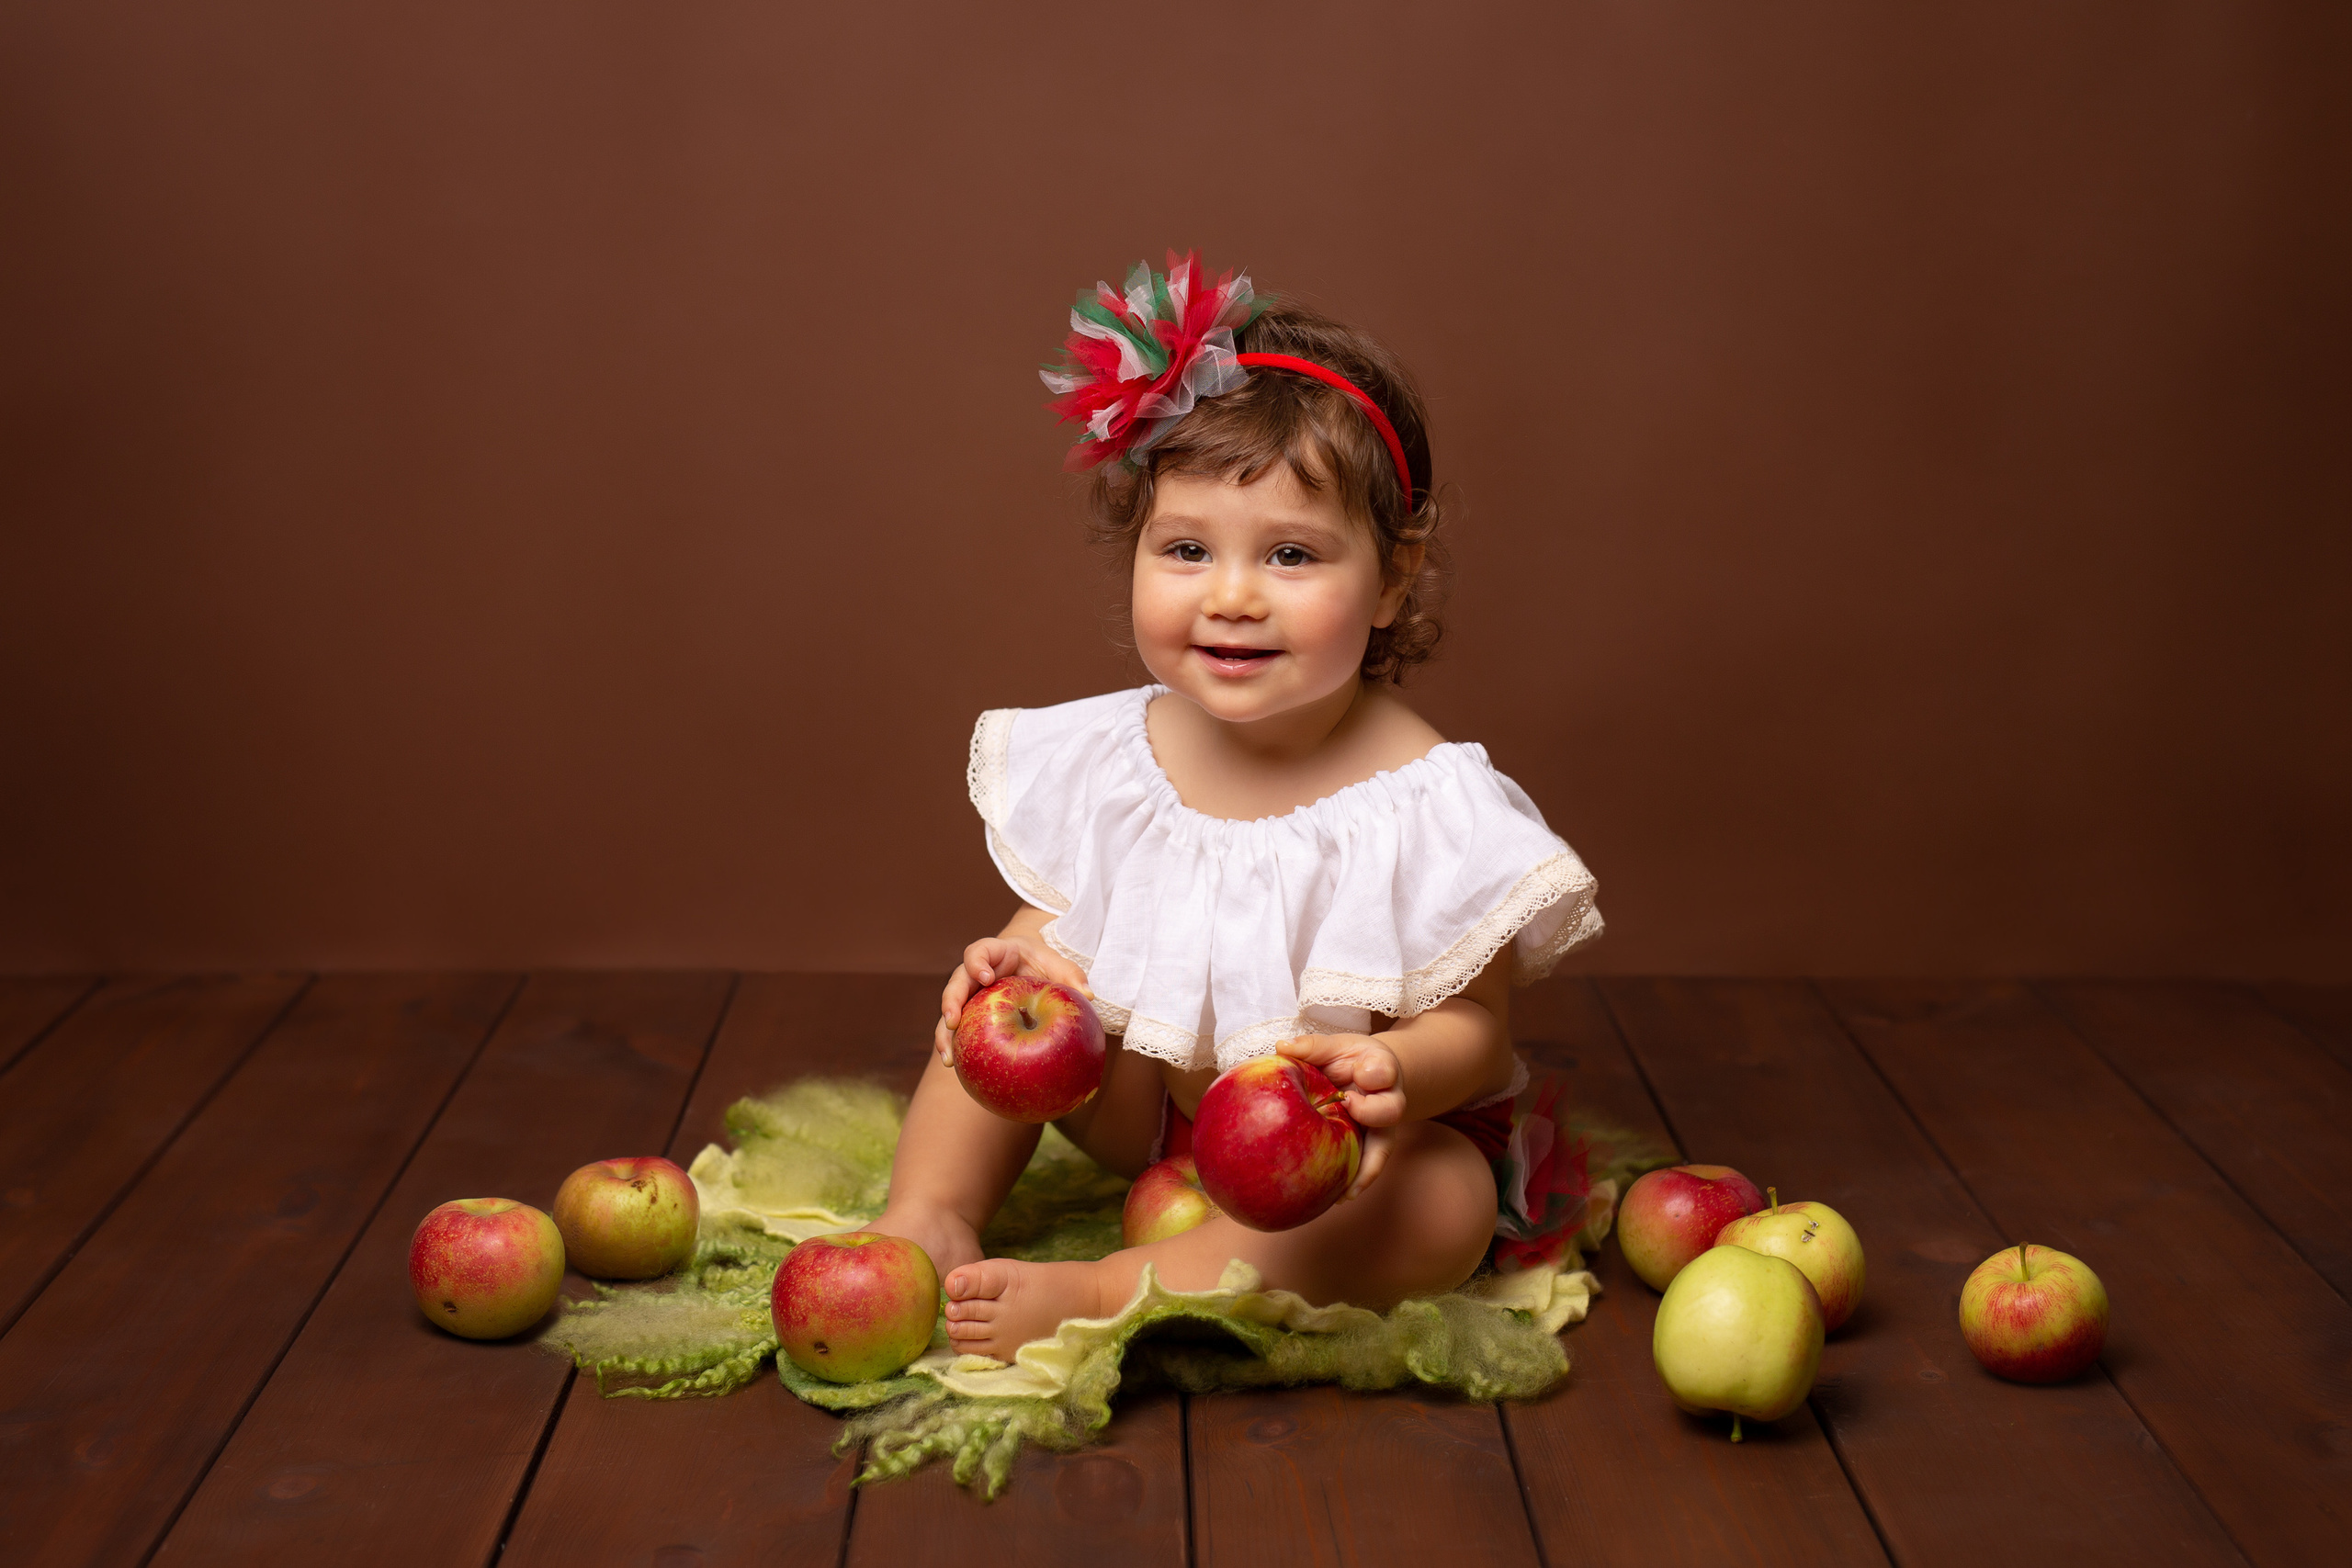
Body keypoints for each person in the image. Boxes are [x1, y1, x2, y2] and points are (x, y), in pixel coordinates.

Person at [870, 254, 1602, 1361]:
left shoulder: (1428, 802)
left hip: (1349, 1157)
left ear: (1394, 580)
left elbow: (1475, 1026)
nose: (1231, 595)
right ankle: (929, 1209)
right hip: (1155, 1116)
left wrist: (1396, 1072)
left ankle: (1122, 1285)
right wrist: (1016, 967)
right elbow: (1068, 923)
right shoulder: (1122, 754)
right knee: (1011, 1009)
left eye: (1293, 554)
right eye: (1185, 549)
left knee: (1440, 1206)